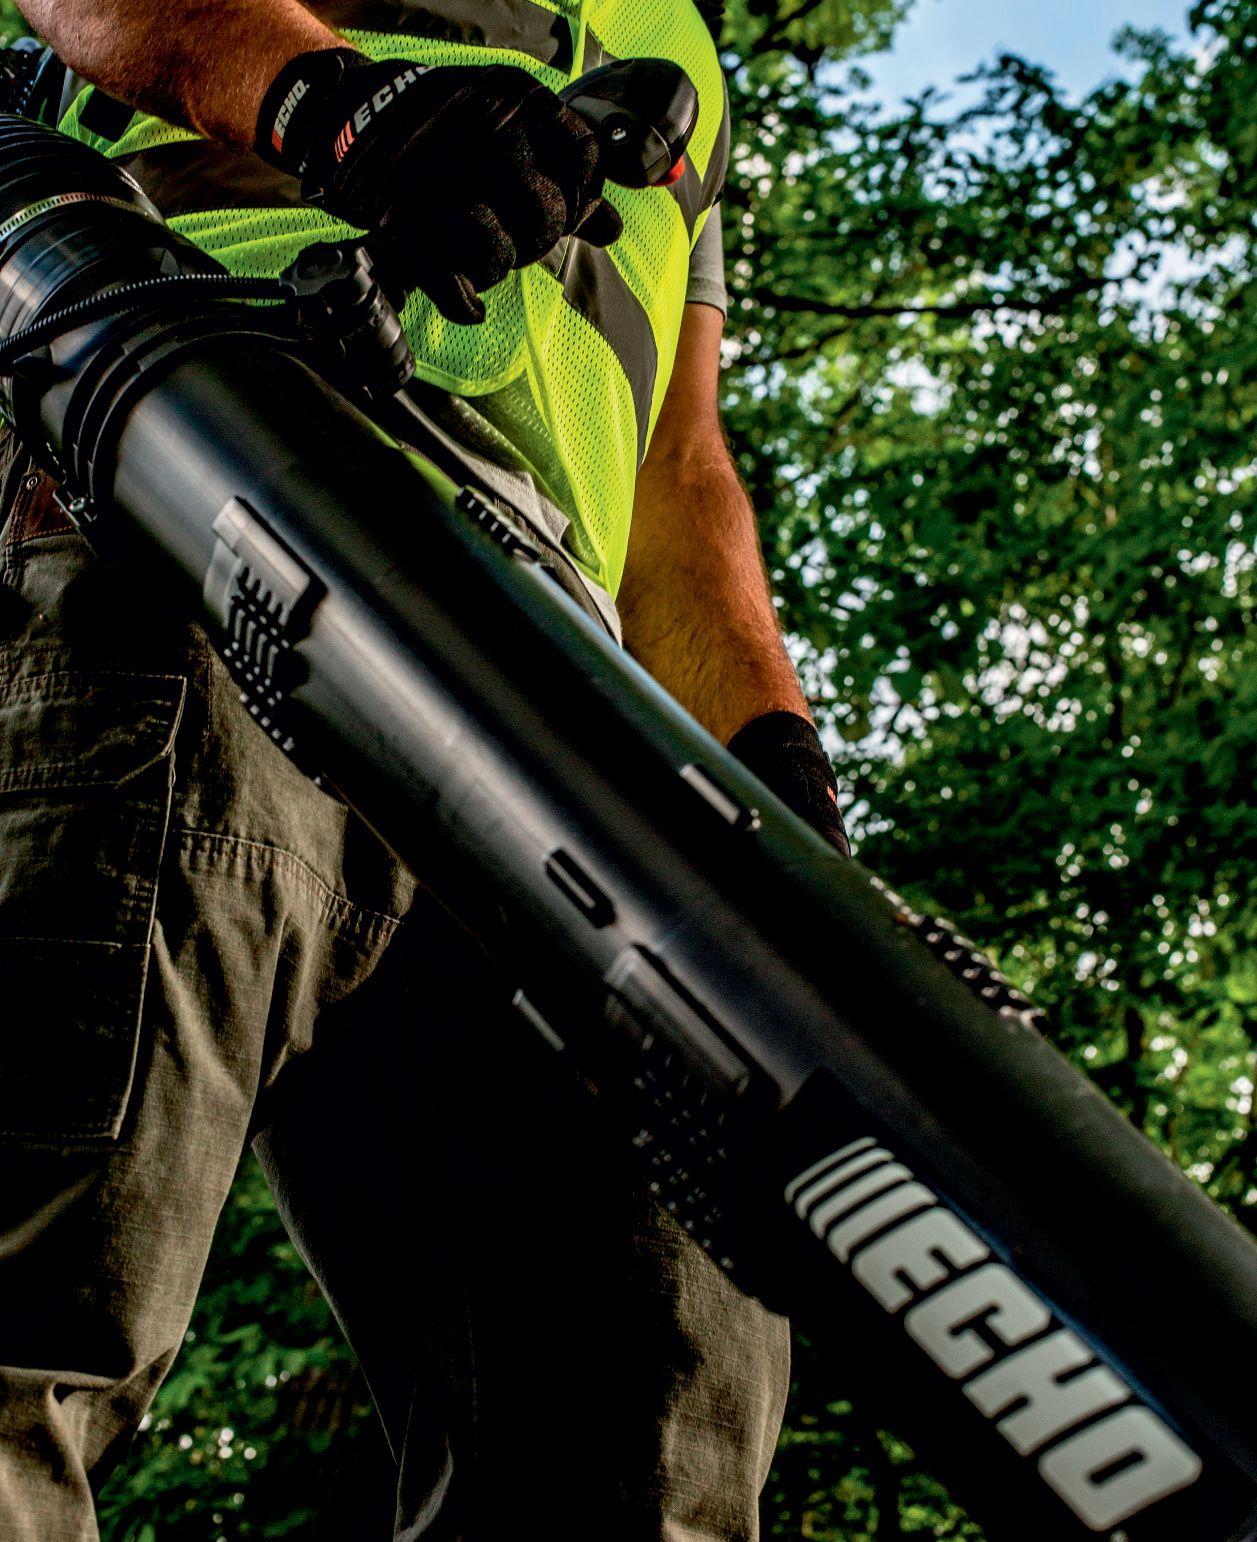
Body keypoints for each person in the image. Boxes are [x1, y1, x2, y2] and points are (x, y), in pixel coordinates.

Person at [0, 1, 849, 1537]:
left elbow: (679, 469)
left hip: (571, 701)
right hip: (198, 462)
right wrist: (337, 105)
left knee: (638, 1447)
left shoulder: (683, 56)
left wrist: (773, 774)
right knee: (34, 1287)